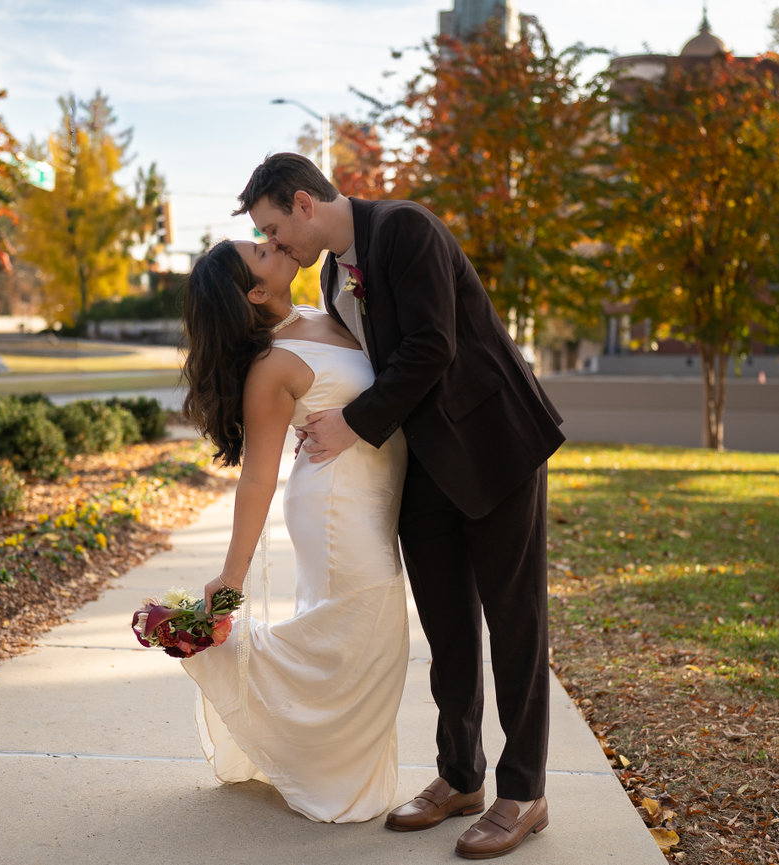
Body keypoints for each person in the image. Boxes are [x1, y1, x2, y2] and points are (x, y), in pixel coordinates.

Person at [236, 153, 565, 860]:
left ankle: (524, 790)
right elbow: (361, 365)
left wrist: (351, 423)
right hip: (420, 470)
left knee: (514, 625)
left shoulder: (405, 229)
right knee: (448, 631)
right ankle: (460, 775)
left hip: (493, 445)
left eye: (272, 228)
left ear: (301, 202)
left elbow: (430, 347)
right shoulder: (329, 273)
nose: (275, 246)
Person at [179, 238, 409, 823]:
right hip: (336, 510)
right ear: (257, 292)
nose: (273, 243)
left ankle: (325, 767)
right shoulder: (272, 364)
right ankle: (330, 775)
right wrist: (231, 576)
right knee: (366, 644)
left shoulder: (320, 310)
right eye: (259, 250)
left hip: (373, 499)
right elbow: (257, 478)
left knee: (348, 645)